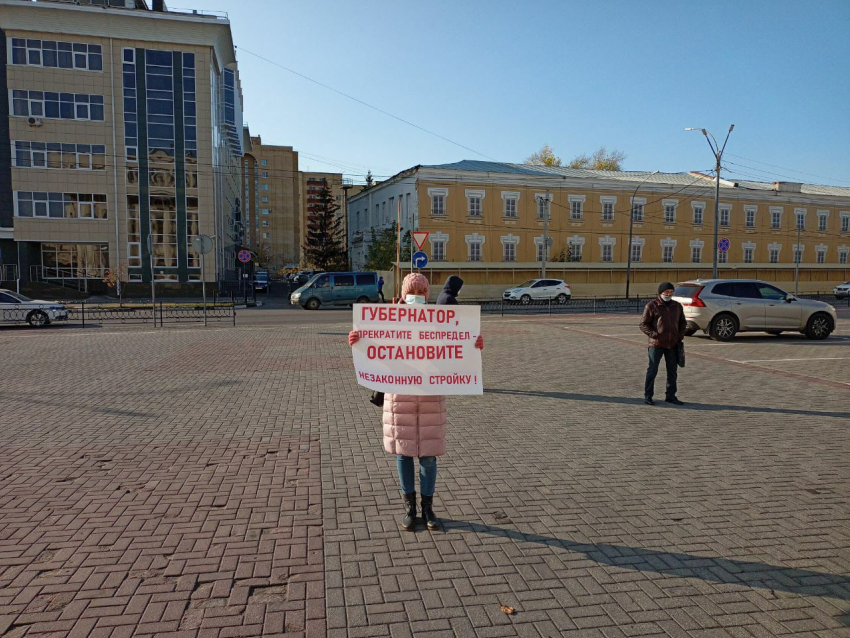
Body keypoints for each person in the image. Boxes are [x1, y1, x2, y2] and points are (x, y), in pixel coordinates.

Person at [348, 273, 483, 531]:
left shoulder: (439, 322)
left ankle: (428, 507)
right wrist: (357, 341)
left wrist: (474, 345)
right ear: (402, 294)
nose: (416, 298)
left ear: (427, 296)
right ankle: (409, 506)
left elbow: (457, 349)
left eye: (420, 294)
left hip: (431, 397)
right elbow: (374, 351)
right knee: (404, 454)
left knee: (429, 457)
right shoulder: (386, 322)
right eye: (412, 293)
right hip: (400, 398)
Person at [640, 282, 687, 406]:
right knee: (652, 370)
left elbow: (683, 322)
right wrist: (654, 334)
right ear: (660, 292)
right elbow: (644, 324)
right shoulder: (652, 305)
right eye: (666, 292)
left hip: (672, 344)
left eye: (671, 292)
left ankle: (670, 396)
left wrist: (680, 335)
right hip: (656, 344)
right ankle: (648, 396)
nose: (669, 294)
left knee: (672, 371)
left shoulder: (677, 306)